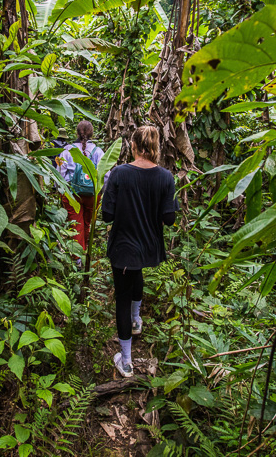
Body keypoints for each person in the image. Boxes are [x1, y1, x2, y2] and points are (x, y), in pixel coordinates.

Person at [101, 125, 178, 378]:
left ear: (133, 146)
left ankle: (125, 361)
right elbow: (169, 219)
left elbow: (107, 216)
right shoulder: (166, 177)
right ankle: (136, 320)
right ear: (156, 148)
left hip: (124, 245)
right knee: (136, 274)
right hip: (148, 246)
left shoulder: (119, 174)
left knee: (121, 297)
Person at [57, 120, 104, 254]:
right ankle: (85, 254)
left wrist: (59, 190)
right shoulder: (98, 152)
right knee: (87, 224)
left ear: (77, 133)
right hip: (92, 194)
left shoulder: (67, 150)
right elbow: (105, 175)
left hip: (72, 194)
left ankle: (77, 258)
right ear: (92, 134)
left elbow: (60, 172)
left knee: (75, 225)